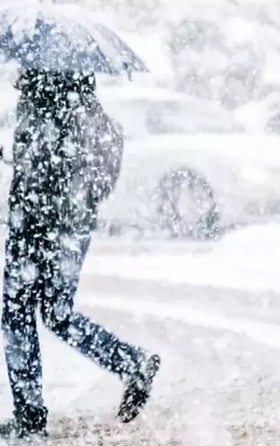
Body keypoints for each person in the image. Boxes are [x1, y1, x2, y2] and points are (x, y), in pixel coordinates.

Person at [0, 69, 160, 438]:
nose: (21, 74)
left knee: (17, 315)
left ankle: (30, 420)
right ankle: (130, 361)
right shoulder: (89, 109)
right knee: (57, 313)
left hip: (37, 224)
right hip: (72, 228)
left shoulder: (44, 103)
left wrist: (24, 163)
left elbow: (41, 169)